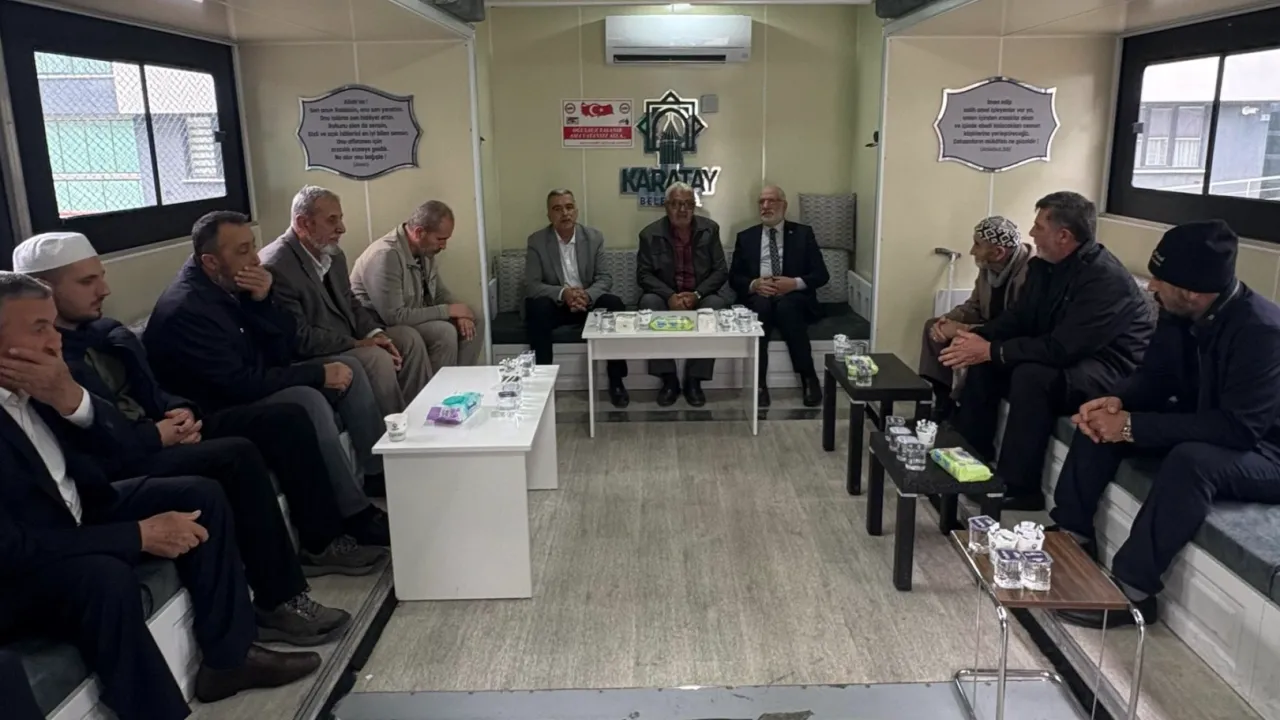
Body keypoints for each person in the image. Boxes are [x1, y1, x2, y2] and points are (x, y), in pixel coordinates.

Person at [11, 231, 381, 644]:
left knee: (285, 420)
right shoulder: (37, 364)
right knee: (236, 457)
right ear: (44, 289)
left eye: (101, 276)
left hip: (166, 429)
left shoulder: (106, 330)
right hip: (124, 459)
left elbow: (156, 389)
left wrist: (180, 409)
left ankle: (323, 541)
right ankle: (279, 600)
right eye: (87, 281)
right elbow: (88, 445)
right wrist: (154, 436)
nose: (105, 289)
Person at [0, 271, 319, 720]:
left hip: (80, 511)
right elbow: (13, 547)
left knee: (201, 495)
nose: (55, 341)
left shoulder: (46, 381)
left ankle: (230, 659)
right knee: (104, 579)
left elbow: (120, 450)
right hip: (25, 564)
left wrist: (72, 400)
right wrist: (137, 535)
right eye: (38, 329)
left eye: (53, 326)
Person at [1050, 221, 1280, 629]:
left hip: (1264, 450)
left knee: (1191, 461)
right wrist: (1118, 402)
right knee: (1102, 425)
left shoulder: (1262, 332)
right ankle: (1071, 537)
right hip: (1211, 424)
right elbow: (1156, 378)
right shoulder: (1178, 312)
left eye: (1160, 279)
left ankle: (1133, 594)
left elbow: (1239, 429)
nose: (1151, 286)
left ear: (1192, 291)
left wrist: (1133, 427)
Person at [144, 212, 394, 528]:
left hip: (252, 380)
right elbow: (238, 383)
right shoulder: (188, 309)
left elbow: (282, 347)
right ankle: (353, 514)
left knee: (350, 366)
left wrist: (261, 301)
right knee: (308, 399)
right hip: (218, 407)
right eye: (243, 251)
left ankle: (376, 473)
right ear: (210, 261)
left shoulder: (232, 284)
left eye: (253, 246)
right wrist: (317, 375)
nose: (256, 259)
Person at [941, 191, 1154, 511]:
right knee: (984, 362)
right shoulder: (1044, 266)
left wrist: (993, 350)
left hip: (1110, 368)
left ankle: (1019, 488)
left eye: (1039, 227)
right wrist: (977, 339)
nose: (1031, 233)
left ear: (1063, 236)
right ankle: (969, 457)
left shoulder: (1105, 280)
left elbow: (1062, 348)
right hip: (1069, 355)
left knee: (1032, 377)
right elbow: (1019, 318)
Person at [260, 186, 430, 416]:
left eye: (340, 218)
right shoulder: (276, 266)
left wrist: (375, 334)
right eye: (332, 220)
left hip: (347, 338)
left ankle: (420, 416)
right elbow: (300, 338)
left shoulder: (333, 254)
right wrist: (358, 344)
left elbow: (350, 301)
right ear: (303, 223)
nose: (342, 228)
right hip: (313, 354)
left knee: (407, 339)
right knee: (376, 358)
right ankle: (394, 429)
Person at [350, 200, 483, 376]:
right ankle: (437, 389)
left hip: (411, 317)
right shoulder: (385, 255)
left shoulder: (424, 250)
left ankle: (460, 380)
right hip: (381, 326)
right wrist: (449, 310)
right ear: (419, 232)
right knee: (444, 333)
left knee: (475, 317)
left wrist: (462, 313)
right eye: (440, 239)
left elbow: (439, 293)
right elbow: (394, 316)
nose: (444, 246)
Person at [523, 188, 629, 407]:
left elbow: (605, 278)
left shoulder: (593, 238)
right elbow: (532, 285)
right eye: (557, 209)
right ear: (549, 215)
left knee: (614, 304)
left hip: (587, 303)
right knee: (537, 307)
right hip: (556, 305)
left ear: (576, 211)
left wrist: (587, 296)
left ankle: (616, 381)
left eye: (569, 207)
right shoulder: (537, 241)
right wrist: (564, 294)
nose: (565, 213)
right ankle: (543, 383)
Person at [919, 216, 1034, 419]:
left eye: (977, 245)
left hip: (1009, 338)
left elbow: (1016, 324)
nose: (972, 251)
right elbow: (974, 306)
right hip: (986, 327)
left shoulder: (1031, 273)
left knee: (963, 341)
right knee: (933, 326)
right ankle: (943, 403)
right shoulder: (988, 268)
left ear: (998, 252)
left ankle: (960, 412)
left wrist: (964, 329)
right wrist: (946, 320)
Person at [729, 185, 829, 408]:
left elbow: (821, 275)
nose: (765, 206)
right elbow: (734, 277)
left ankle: (808, 378)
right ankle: (759, 384)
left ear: (784, 205)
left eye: (771, 201)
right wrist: (754, 284)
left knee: (787, 308)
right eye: (761, 202)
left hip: (793, 297)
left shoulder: (803, 234)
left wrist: (794, 283)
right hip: (759, 297)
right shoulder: (746, 237)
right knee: (761, 309)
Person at [636, 182, 730, 407]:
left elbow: (720, 271)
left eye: (688, 204)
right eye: (677, 204)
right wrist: (670, 295)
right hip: (665, 296)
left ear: (694, 207)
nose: (683, 210)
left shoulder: (710, 229)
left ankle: (694, 380)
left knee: (716, 307)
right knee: (648, 303)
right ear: (666, 206)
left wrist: (697, 294)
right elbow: (643, 275)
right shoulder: (649, 234)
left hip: (701, 294)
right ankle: (668, 379)